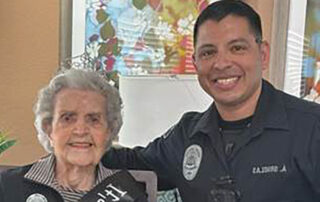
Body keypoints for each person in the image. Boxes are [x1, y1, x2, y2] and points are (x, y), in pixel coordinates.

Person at [103, 0, 320, 201]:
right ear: (195, 63)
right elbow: (131, 165)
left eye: (237, 48)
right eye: (208, 53)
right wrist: (81, 139)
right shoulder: (186, 135)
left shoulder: (311, 127)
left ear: (262, 55)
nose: (221, 63)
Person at [0, 69, 147, 202]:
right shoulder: (7, 187)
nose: (81, 130)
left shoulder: (128, 195)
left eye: (94, 119)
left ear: (109, 131)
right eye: (68, 118)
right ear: (48, 129)